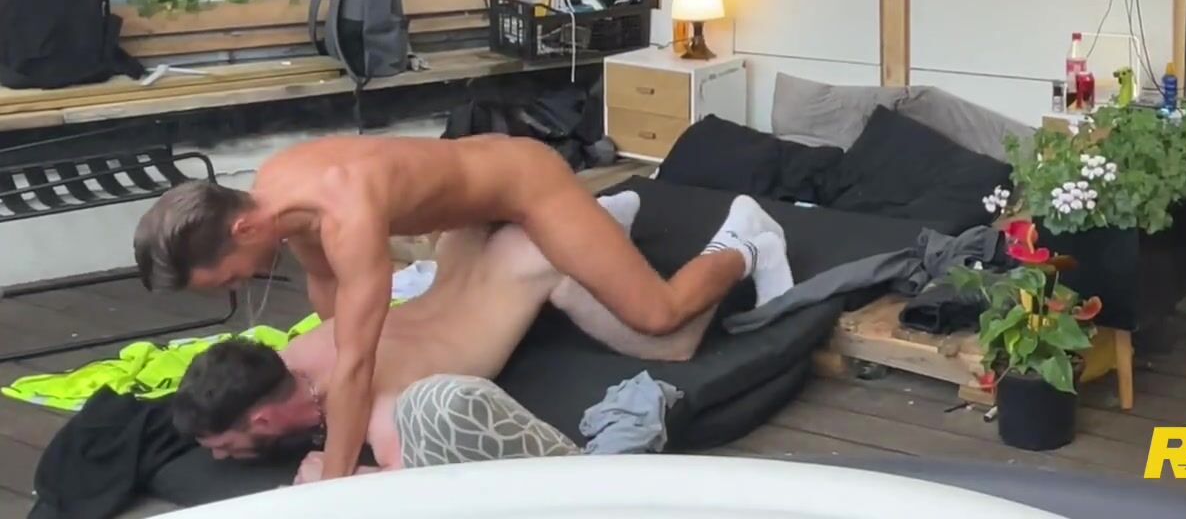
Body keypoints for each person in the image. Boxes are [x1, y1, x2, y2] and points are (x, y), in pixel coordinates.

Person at [133, 135, 792, 482]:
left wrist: (335, 487)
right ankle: (601, 230)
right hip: (469, 218)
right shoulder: (277, 196)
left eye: (220, 277)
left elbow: (358, 363)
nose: (231, 288)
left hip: (525, 187)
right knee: (424, 297)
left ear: (242, 231)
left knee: (660, 318)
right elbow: (330, 303)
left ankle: (746, 240)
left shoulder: (344, 213)